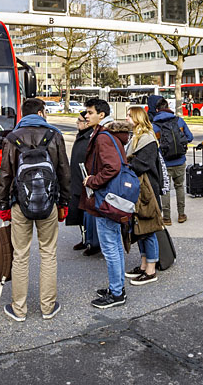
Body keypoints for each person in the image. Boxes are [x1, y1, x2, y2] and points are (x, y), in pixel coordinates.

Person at [0, 97, 71, 321]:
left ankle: (19, 309)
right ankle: (47, 307)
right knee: (48, 253)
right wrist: (64, 203)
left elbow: (6, 174)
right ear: (41, 112)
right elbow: (63, 173)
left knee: (20, 255)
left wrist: (3, 204)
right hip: (49, 203)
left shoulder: (12, 138)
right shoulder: (55, 135)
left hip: (20, 203)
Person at [81, 98, 129, 309]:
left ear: (101, 114)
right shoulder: (110, 134)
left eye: (90, 112)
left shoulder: (103, 137)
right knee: (115, 244)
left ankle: (117, 294)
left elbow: (112, 167)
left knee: (110, 247)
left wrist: (92, 180)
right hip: (113, 197)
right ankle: (117, 286)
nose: (86, 116)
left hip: (106, 198)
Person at [123, 106, 165, 286]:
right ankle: (142, 265)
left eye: (129, 116)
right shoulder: (136, 138)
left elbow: (142, 164)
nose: (126, 119)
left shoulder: (147, 139)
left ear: (137, 118)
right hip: (140, 188)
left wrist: (125, 164)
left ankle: (151, 270)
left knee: (148, 230)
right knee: (140, 228)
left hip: (148, 190)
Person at [148, 95, 193, 225]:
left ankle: (166, 218)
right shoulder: (179, 121)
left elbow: (152, 145)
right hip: (180, 161)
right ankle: (181, 214)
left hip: (164, 163)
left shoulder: (154, 126)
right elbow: (189, 138)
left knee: (165, 189)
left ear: (156, 110)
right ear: (168, 107)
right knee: (180, 187)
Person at [68, 111, 98, 254]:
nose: (77, 123)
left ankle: (92, 242)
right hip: (76, 179)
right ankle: (85, 238)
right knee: (79, 211)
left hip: (86, 180)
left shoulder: (91, 137)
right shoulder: (81, 135)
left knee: (88, 211)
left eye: (79, 121)